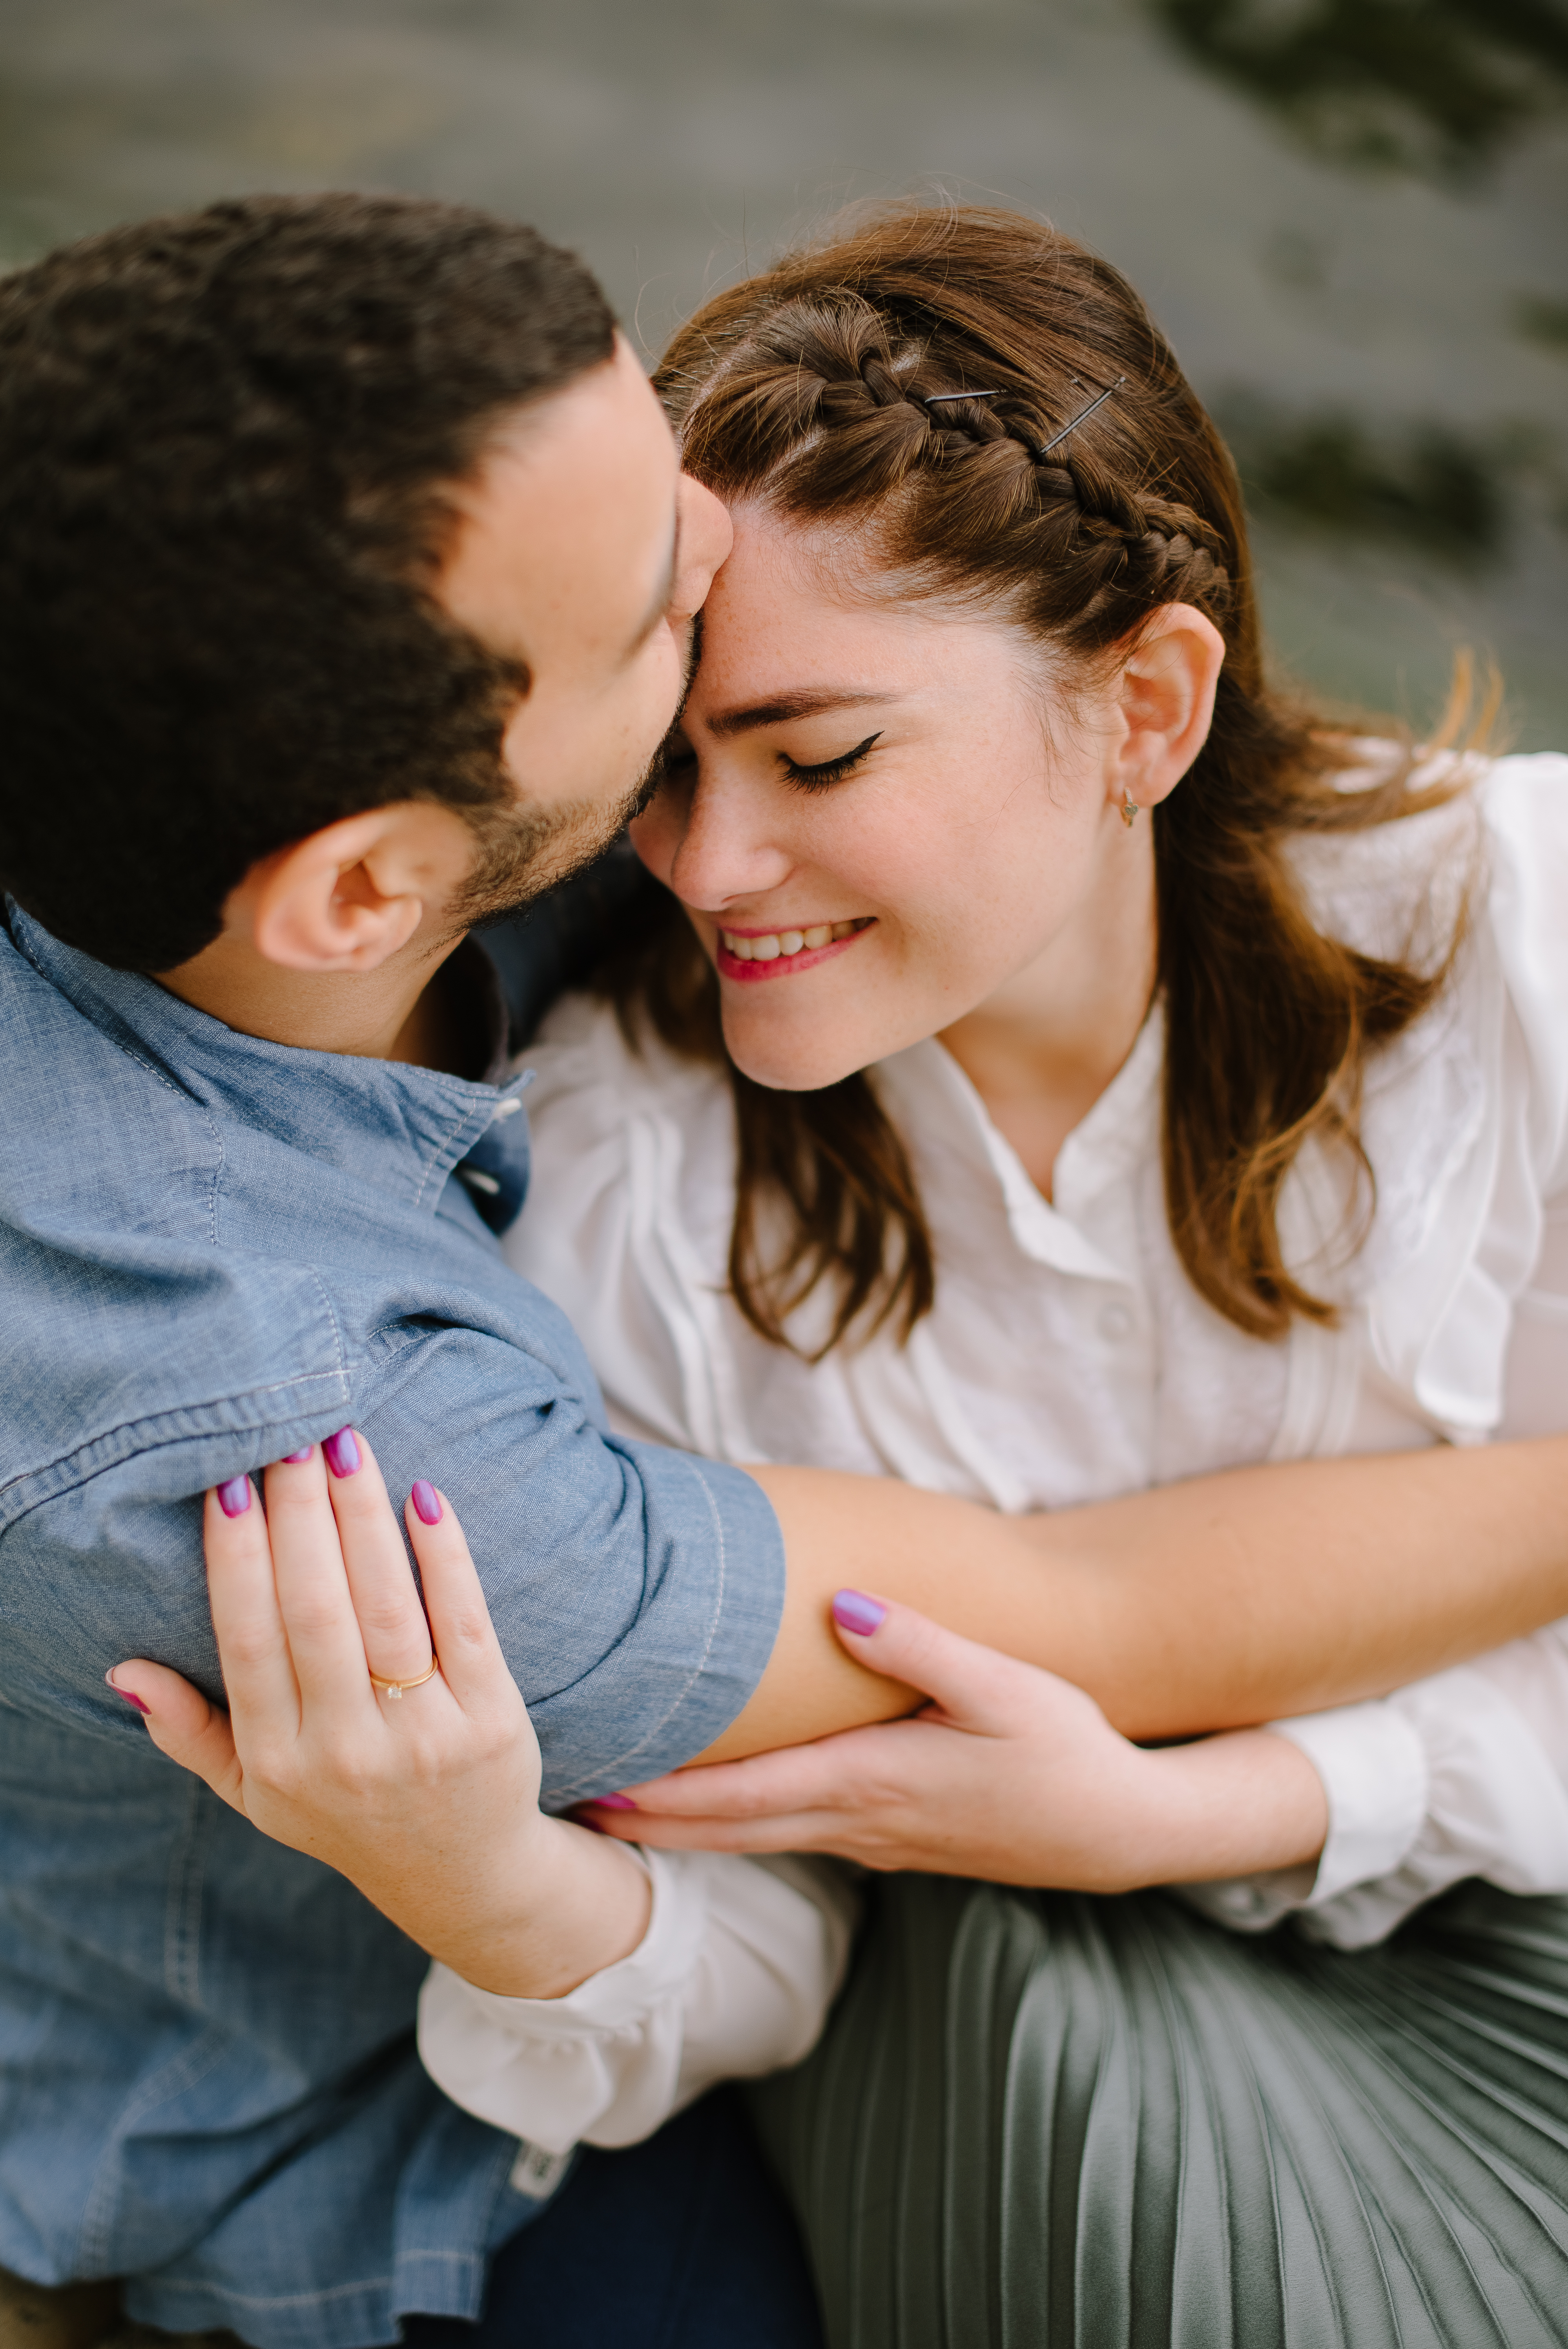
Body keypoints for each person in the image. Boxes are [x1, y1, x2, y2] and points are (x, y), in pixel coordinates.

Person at [4, 191, 1566, 2349]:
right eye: (665, 736)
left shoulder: (1530, 937)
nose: (714, 861)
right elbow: (795, 1879)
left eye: (818, 752)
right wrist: (492, 1876)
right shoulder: (593, 1242)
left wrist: (1226, 1801)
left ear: (1148, 707)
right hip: (897, 2075)